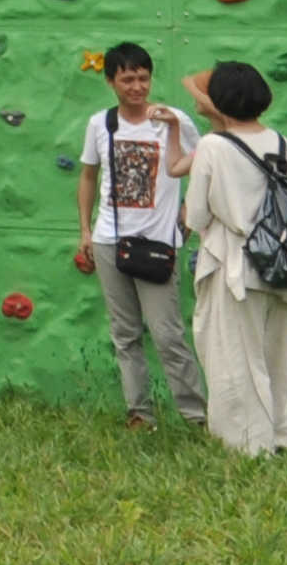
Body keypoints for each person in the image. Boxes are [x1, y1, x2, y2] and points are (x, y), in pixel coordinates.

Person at [74, 42, 204, 430]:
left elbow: (205, 165)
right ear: (111, 81)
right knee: (125, 334)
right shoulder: (100, 124)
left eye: (143, 78)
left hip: (159, 242)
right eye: (127, 79)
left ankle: (196, 416)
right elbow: (88, 176)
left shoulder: (173, 120)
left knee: (168, 335)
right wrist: (85, 229)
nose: (137, 87)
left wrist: (189, 209)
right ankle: (139, 413)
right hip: (110, 239)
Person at [181, 61, 287, 455]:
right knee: (277, 356)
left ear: (220, 100)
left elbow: (196, 215)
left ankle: (249, 445)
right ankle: (283, 434)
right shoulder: (281, 142)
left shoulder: (213, 146)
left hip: (234, 261)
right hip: (282, 260)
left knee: (235, 357)